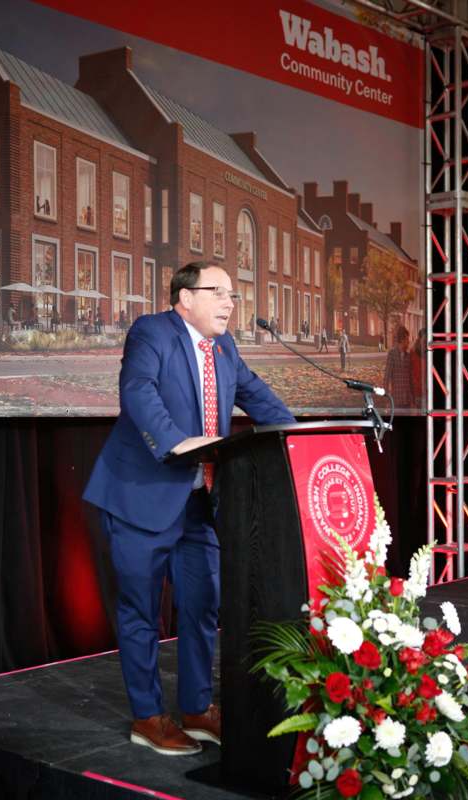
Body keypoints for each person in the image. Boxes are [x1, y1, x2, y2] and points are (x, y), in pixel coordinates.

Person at [83, 261, 294, 757]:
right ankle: (148, 717)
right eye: (217, 292)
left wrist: (295, 435)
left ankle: (198, 709)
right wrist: (178, 443)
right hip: (141, 496)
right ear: (184, 298)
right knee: (141, 612)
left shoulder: (224, 348)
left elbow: (258, 397)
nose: (229, 303)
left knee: (203, 606)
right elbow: (138, 392)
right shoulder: (152, 332)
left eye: (233, 295)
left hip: (198, 503)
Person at [384, 324, 414, 408]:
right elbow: (387, 377)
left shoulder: (408, 356)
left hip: (407, 398)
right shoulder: (392, 354)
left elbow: (410, 378)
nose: (409, 342)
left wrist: (413, 398)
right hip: (396, 397)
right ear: (402, 340)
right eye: (407, 339)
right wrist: (386, 397)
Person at [410, 328, 427, 408]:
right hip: (417, 391)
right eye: (424, 338)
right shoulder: (413, 352)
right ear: (419, 338)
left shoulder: (429, 352)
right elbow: (410, 373)